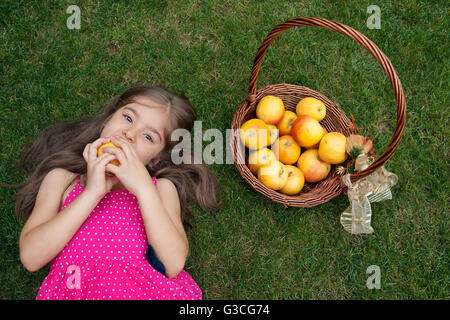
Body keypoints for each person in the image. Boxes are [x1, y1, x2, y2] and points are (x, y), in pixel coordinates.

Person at [2, 85, 222, 300]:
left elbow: (173, 264)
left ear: (155, 159)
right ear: (107, 119)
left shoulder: (159, 190)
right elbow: (31, 258)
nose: (129, 134)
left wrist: (143, 188)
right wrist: (92, 193)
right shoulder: (62, 181)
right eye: (128, 118)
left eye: (148, 137)